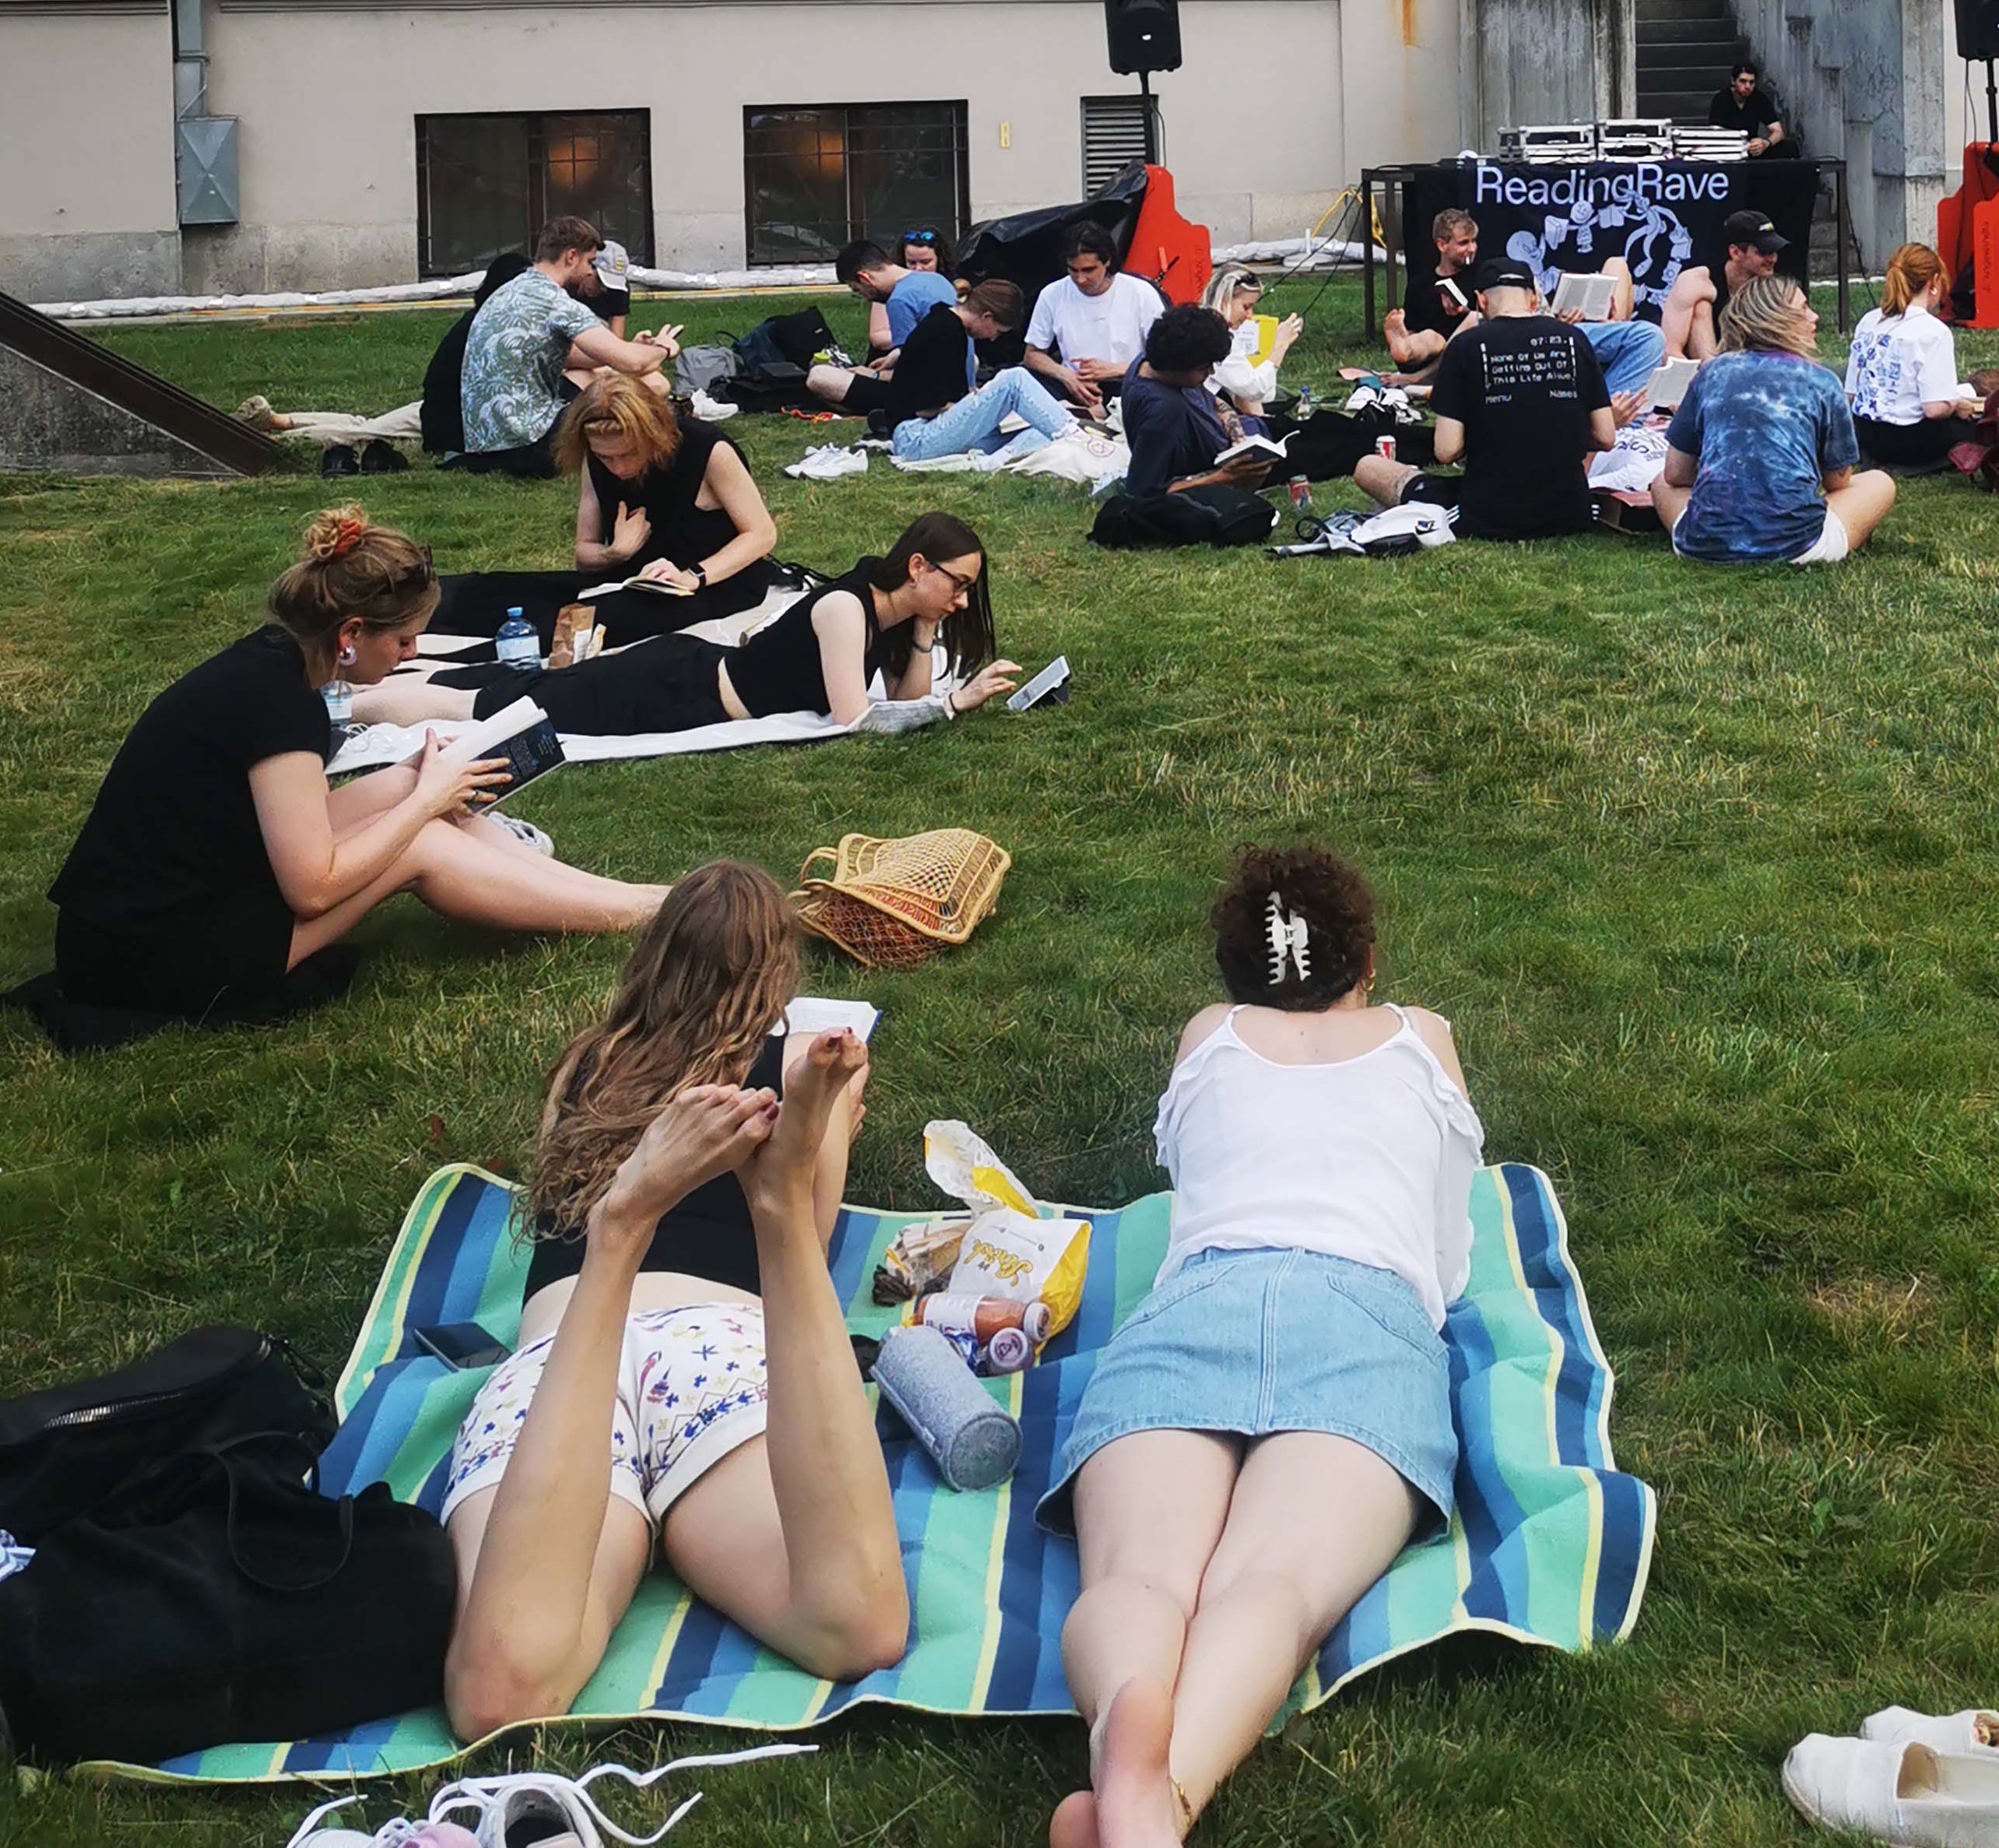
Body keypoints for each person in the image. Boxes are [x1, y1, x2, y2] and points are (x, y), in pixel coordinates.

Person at [1044, 846, 1483, 1848]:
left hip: (1200, 1301)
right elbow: (1447, 1252)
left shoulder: (1211, 1034)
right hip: (1362, 1314)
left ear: (1235, 979)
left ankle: (1126, 1707)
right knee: (1268, 1588)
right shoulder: (1423, 1037)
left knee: (1142, 1579)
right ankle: (1164, 1800)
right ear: (1369, 959)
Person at [437, 863, 904, 1738]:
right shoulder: (793, 1066)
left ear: (654, 955)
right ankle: (754, 1197)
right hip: (719, 1346)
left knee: (500, 1693)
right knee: (856, 1621)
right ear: (777, 978)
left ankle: (632, 1218)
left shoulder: (590, 1062)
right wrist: (827, 1131)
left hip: (569, 1351)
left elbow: (548, 1191)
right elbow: (825, 1227)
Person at [47, 507, 666, 1028]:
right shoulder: (282, 706)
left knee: (427, 800)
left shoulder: (269, 668)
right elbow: (312, 887)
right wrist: (422, 801)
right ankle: (650, 914)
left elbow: (301, 821)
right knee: (420, 840)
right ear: (350, 632)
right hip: (153, 955)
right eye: (402, 642)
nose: (411, 655)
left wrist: (414, 780)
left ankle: (648, 901)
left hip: (140, 919)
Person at [362, 512, 1021, 738]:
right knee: (497, 703)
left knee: (513, 691)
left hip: (691, 686)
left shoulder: (894, 615)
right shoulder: (846, 607)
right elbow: (858, 722)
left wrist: (928, 636)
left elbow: (903, 702)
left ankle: (363, 694)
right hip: (675, 685)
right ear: (916, 565)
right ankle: (354, 704)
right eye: (956, 586)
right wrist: (954, 704)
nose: (961, 600)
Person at [429, 378, 788, 646]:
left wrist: (693, 575)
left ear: (652, 435)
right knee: (498, 589)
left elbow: (761, 533)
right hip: (630, 575)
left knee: (580, 621)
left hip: (713, 583)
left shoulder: (707, 450)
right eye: (605, 457)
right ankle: (412, 606)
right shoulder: (596, 457)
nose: (616, 467)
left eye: (627, 454)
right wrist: (616, 552)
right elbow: (584, 555)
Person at [1352, 260, 1622, 539]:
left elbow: (1446, 451)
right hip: (1570, 511)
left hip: (1489, 513)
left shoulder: (1465, 347)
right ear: (1532, 299)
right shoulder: (1575, 340)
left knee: (1369, 467)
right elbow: (1605, 437)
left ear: (1481, 301)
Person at [1652, 273, 1895, 566]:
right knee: (1879, 482)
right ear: (1776, 318)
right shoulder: (1822, 381)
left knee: (1659, 483)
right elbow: (1838, 482)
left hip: (1703, 544)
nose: (1815, 316)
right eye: (1804, 308)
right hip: (1799, 545)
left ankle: (1718, 534)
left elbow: (1675, 474)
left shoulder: (1711, 373)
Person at [458, 219, 682, 474]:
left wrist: (627, 347)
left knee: (584, 375)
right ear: (572, 257)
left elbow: (582, 359)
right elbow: (632, 363)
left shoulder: (508, 291)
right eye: (590, 262)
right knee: (653, 385)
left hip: (485, 447)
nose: (589, 271)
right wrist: (664, 349)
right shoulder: (556, 302)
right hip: (532, 447)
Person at [813, 279, 1077, 462]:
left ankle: (1049, 441)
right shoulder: (945, 333)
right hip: (916, 437)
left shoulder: (947, 325)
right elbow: (927, 406)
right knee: (1014, 380)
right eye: (997, 331)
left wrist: (979, 409)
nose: (993, 338)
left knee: (1038, 432)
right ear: (986, 317)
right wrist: (982, 405)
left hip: (929, 430)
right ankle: (1075, 438)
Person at [1120, 305, 1275, 498]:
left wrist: (1238, 437)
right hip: (1223, 465)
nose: (1210, 372)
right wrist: (1225, 477)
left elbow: (1214, 401)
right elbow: (1142, 492)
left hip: (1242, 438)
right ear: (1178, 365)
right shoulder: (1165, 411)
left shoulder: (1148, 362)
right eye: (1204, 368)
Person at [1843, 243, 1967, 470]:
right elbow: (1935, 409)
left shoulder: (1869, 321)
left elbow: (1850, 394)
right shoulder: (1934, 331)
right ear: (1934, 282)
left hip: (1868, 436)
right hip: (1910, 440)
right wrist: (1956, 403)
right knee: (1978, 427)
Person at [1029, 222, 1165, 409]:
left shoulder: (1141, 292)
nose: (1080, 279)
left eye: (1088, 270)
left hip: (1131, 386)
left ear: (1107, 260)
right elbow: (1033, 353)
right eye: (1073, 270)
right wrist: (1066, 376)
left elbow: (1165, 359)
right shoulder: (1052, 294)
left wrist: (1115, 370)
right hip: (1075, 389)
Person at [1656, 209, 1790, 364]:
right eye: (1763, 252)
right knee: (1702, 306)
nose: (1772, 259)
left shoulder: (1774, 289)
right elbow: (1670, 351)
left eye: (1774, 251)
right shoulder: (1698, 281)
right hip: (1703, 372)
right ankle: (1712, 368)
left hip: (1754, 368)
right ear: (1735, 253)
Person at [1373, 208, 1483, 383]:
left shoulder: (1481, 276)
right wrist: (1404, 334)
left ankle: (1415, 377)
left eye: (1473, 241)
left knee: (1474, 318)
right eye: (1464, 243)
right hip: (1430, 350)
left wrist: (1462, 311)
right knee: (1429, 338)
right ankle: (1405, 349)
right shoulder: (1420, 284)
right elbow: (1413, 327)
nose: (1472, 249)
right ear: (1442, 245)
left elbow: (1488, 321)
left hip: (1464, 350)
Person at [1203, 264, 1302, 425]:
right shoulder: (1216, 337)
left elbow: (1248, 392)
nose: (1250, 315)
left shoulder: (1212, 328)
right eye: (1246, 307)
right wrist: (1280, 346)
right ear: (1225, 299)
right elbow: (1254, 389)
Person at [832, 237, 956, 364]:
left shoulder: (899, 300)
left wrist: (874, 375)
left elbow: (912, 364)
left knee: (821, 375)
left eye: (858, 290)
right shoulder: (937, 279)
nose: (865, 297)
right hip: (961, 377)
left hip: (934, 381)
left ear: (864, 278)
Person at [1709, 61, 1790, 157]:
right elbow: (1715, 133)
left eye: (1751, 82)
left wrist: (1765, 143)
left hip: (1751, 148)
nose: (1748, 86)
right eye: (1743, 81)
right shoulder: (1722, 99)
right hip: (1728, 148)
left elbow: (1778, 131)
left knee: (1789, 147)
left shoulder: (1759, 98)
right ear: (1733, 81)